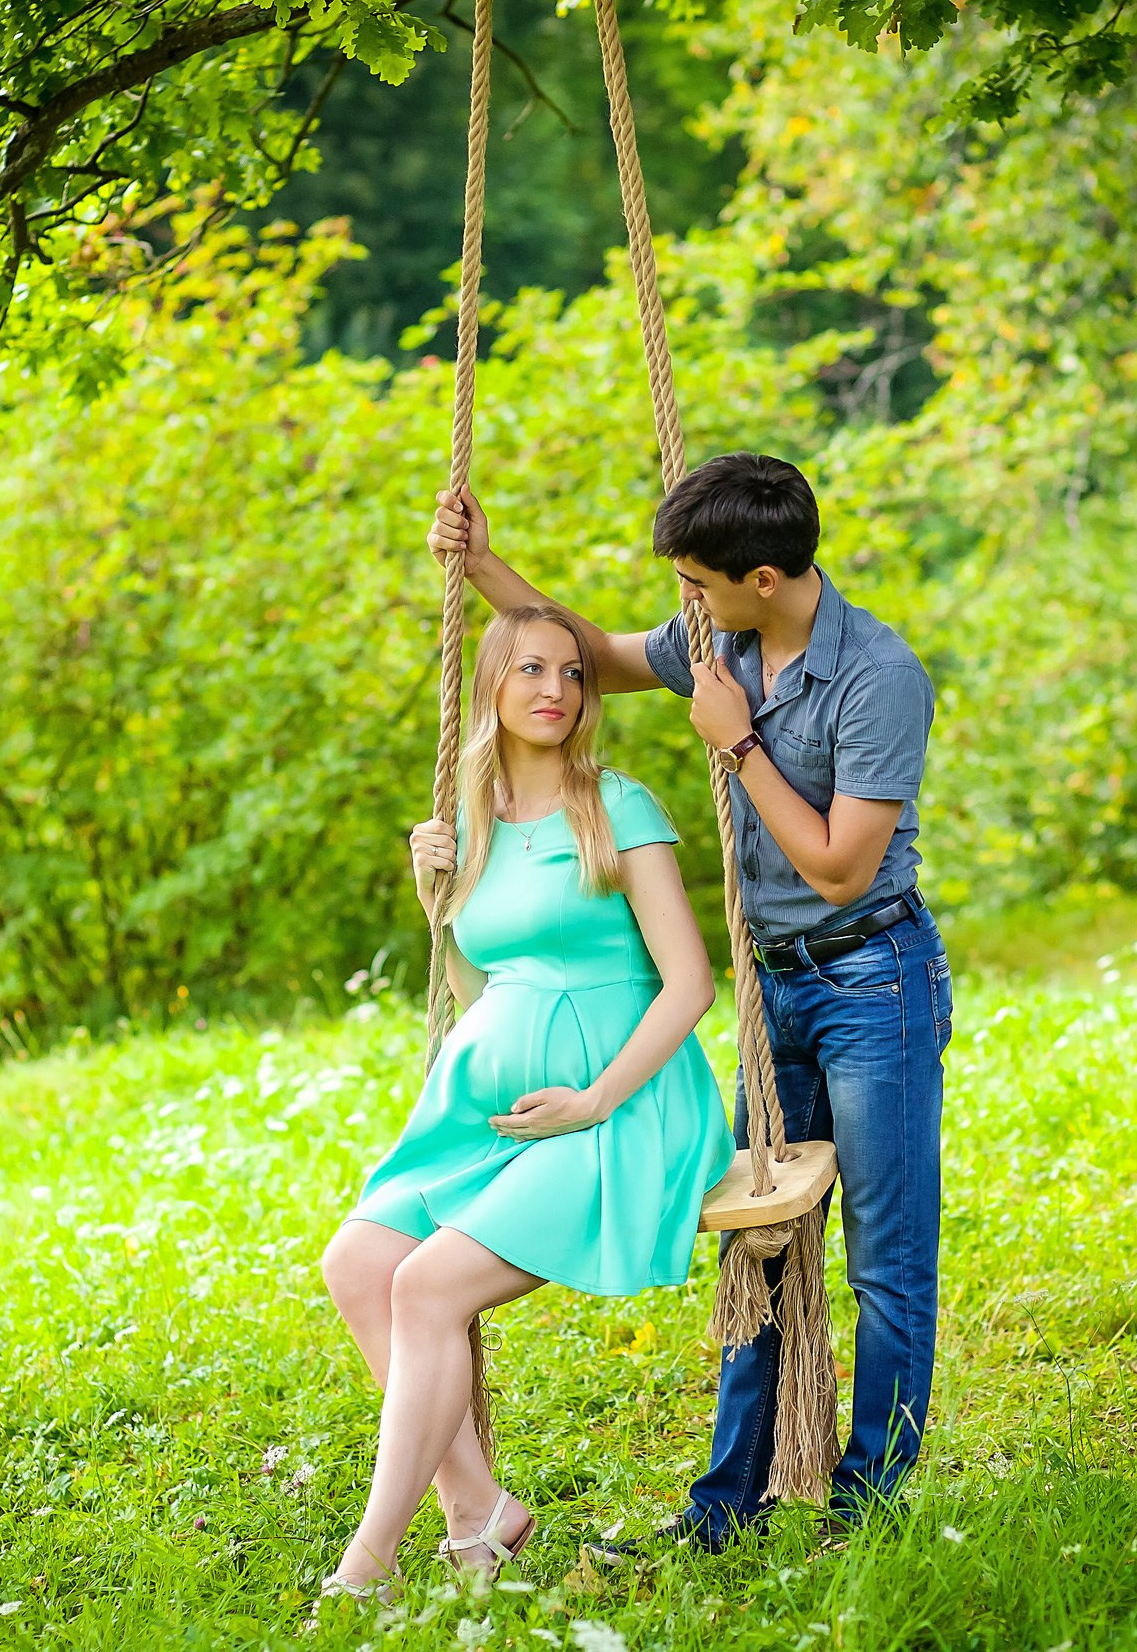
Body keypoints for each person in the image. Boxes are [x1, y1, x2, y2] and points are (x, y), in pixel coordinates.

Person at [427, 451, 950, 1546]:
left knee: (885, 1256)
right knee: (757, 1240)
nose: (684, 611)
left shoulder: (878, 677)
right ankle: (727, 1508)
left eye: (698, 587)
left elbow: (841, 868)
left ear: (762, 576)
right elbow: (586, 659)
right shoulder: (725, 636)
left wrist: (739, 743)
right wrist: (485, 568)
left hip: (870, 981)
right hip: (774, 994)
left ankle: (870, 1503)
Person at [318, 603, 733, 1599]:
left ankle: (367, 1567)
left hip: (622, 1109)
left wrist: (593, 1100)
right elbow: (481, 994)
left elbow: (689, 984)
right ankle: (478, 1514)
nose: (554, 691)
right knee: (360, 1260)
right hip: (491, 1115)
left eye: (572, 674)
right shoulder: (471, 826)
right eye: (530, 671)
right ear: (492, 688)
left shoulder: (615, 807)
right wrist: (437, 908)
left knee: (426, 1287)